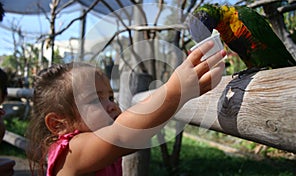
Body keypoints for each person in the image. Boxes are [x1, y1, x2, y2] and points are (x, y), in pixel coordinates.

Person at [26, 41, 226, 176]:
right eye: (96, 100)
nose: (112, 105)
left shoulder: (98, 143)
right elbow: (123, 135)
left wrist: (180, 97)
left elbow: (137, 134)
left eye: (111, 96)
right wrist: (175, 91)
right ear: (58, 123)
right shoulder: (71, 151)